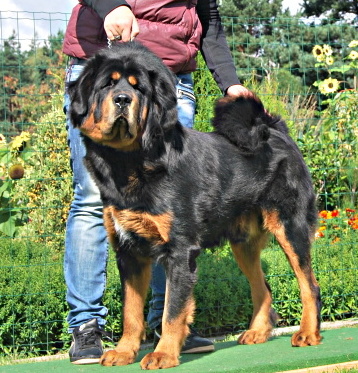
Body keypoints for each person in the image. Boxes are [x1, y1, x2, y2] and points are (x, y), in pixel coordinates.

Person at [63, 0, 250, 365]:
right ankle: (87, 326)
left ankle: (169, 327)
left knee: (175, 215)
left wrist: (230, 83)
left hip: (167, 83)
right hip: (98, 68)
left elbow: (207, 16)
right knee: (91, 198)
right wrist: (111, 6)